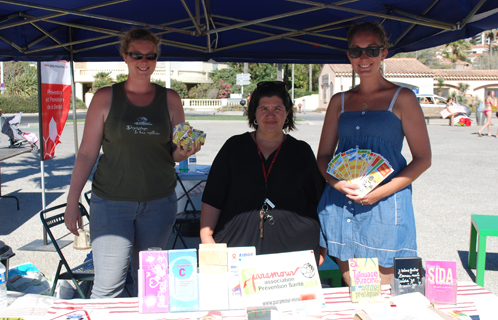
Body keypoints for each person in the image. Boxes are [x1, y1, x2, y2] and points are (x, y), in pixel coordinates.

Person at [64, 28, 200, 298]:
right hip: (111, 203)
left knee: (152, 287)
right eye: (137, 54)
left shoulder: (171, 99)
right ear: (125, 57)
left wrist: (183, 153)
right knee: (109, 286)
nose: (144, 61)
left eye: (151, 56)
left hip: (159, 204)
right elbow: (87, 154)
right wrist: (72, 201)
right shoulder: (104, 98)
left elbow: (173, 152)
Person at [316, 21, 431, 285]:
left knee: (384, 292)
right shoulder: (339, 102)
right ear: (349, 56)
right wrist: (337, 183)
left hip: (385, 206)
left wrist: (380, 192)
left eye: (371, 50)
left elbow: (423, 159)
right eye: (356, 51)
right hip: (340, 205)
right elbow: (323, 156)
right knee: (358, 290)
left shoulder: (403, 98)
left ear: (384, 53)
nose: (363, 58)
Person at [200, 81, 325, 264]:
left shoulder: (301, 151)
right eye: (264, 108)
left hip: (295, 250)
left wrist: (322, 247)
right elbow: (213, 197)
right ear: (254, 113)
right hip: (237, 248)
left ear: (288, 112)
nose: (270, 114)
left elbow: (319, 201)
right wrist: (207, 239)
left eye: (278, 108)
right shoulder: (234, 147)